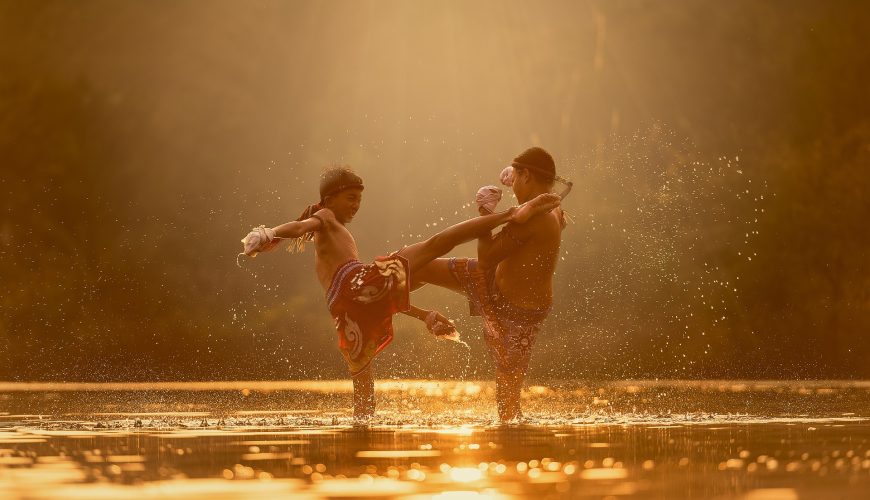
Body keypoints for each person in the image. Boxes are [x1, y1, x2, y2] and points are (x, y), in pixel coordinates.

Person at [239, 166, 560, 421]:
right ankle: (505, 214)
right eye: (350, 198)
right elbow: (298, 228)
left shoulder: (330, 237)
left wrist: (424, 316)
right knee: (436, 244)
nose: (355, 205)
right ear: (329, 200)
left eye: (358, 200)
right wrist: (269, 232)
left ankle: (359, 446)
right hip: (358, 282)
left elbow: (374, 300)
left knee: (364, 402)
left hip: (347, 311)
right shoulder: (324, 217)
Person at [411, 147, 567, 422]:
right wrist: (515, 178)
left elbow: (485, 259)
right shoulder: (551, 206)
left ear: (527, 176)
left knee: (508, 408)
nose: (512, 185)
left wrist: (485, 211)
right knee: (418, 267)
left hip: (517, 313)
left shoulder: (538, 217)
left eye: (516, 178)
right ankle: (381, 296)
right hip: (493, 282)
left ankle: (513, 450)